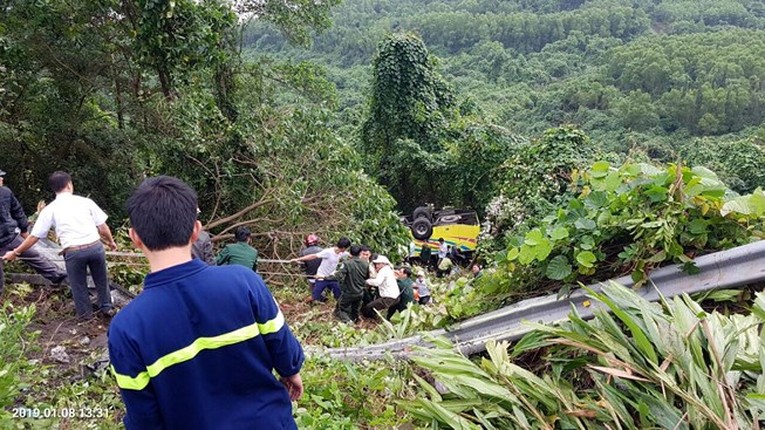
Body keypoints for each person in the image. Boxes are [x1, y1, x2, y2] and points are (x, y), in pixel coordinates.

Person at [108, 176, 304, 430]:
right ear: (196, 230)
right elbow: (282, 346)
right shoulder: (245, 282)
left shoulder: (126, 328)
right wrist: (291, 372)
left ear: (135, 237)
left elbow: (144, 417)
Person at [3, 171, 116, 319]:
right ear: (69, 184)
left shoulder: (50, 209)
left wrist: (16, 252)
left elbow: (34, 237)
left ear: (54, 189)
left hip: (74, 252)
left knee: (78, 285)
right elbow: (103, 227)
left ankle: (85, 317)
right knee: (101, 279)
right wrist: (111, 242)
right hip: (95, 247)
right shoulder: (86, 202)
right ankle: (107, 308)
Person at [0, 169, 67, 295]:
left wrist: (24, 230)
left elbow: (17, 211)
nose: (2, 179)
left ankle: (60, 278)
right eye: (0, 177)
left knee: (34, 256)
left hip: (11, 237)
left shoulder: (5, 192)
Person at [291, 237, 350, 303]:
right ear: (344, 248)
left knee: (338, 294)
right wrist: (298, 259)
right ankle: (303, 303)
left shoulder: (342, 253)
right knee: (315, 296)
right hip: (321, 277)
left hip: (332, 277)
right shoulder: (328, 252)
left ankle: (340, 308)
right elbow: (313, 256)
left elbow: (352, 255)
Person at [334, 245, 369, 324]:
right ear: (360, 253)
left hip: (349, 292)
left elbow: (339, 276)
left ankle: (349, 323)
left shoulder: (347, 264)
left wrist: (325, 277)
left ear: (350, 253)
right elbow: (367, 277)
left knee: (341, 309)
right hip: (360, 292)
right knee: (355, 309)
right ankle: (355, 321)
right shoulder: (366, 264)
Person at [362, 255, 400, 320]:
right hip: (395, 297)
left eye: (378, 264)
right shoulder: (388, 269)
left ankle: (375, 320)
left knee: (369, 307)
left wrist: (366, 281)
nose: (376, 266)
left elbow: (377, 282)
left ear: (383, 264)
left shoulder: (383, 270)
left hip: (389, 298)